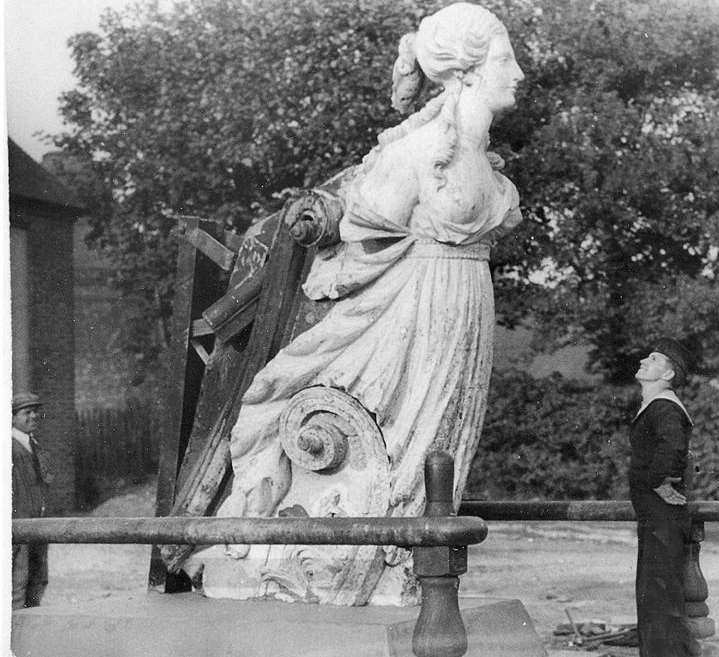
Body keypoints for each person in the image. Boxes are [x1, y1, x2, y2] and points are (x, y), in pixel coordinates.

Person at [204, 2, 525, 604]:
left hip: (464, 314)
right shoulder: (415, 153)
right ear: (467, 72)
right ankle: (349, 563)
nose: (520, 73)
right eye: (507, 58)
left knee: (445, 442)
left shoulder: (481, 160)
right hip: (411, 314)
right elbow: (356, 231)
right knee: (399, 438)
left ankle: (403, 567)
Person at [629, 339, 699, 657]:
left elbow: (673, 446)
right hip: (654, 516)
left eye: (654, 359)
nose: (645, 360)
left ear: (669, 373)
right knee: (653, 598)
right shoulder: (656, 405)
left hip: (662, 516)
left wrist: (659, 481)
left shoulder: (666, 407)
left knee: (660, 601)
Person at [11, 392, 52, 609]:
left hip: (38, 523)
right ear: (12, 418)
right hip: (19, 525)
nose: (33, 416)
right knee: (18, 581)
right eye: (27, 412)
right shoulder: (9, 448)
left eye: (35, 412)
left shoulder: (33, 445)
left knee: (38, 579)